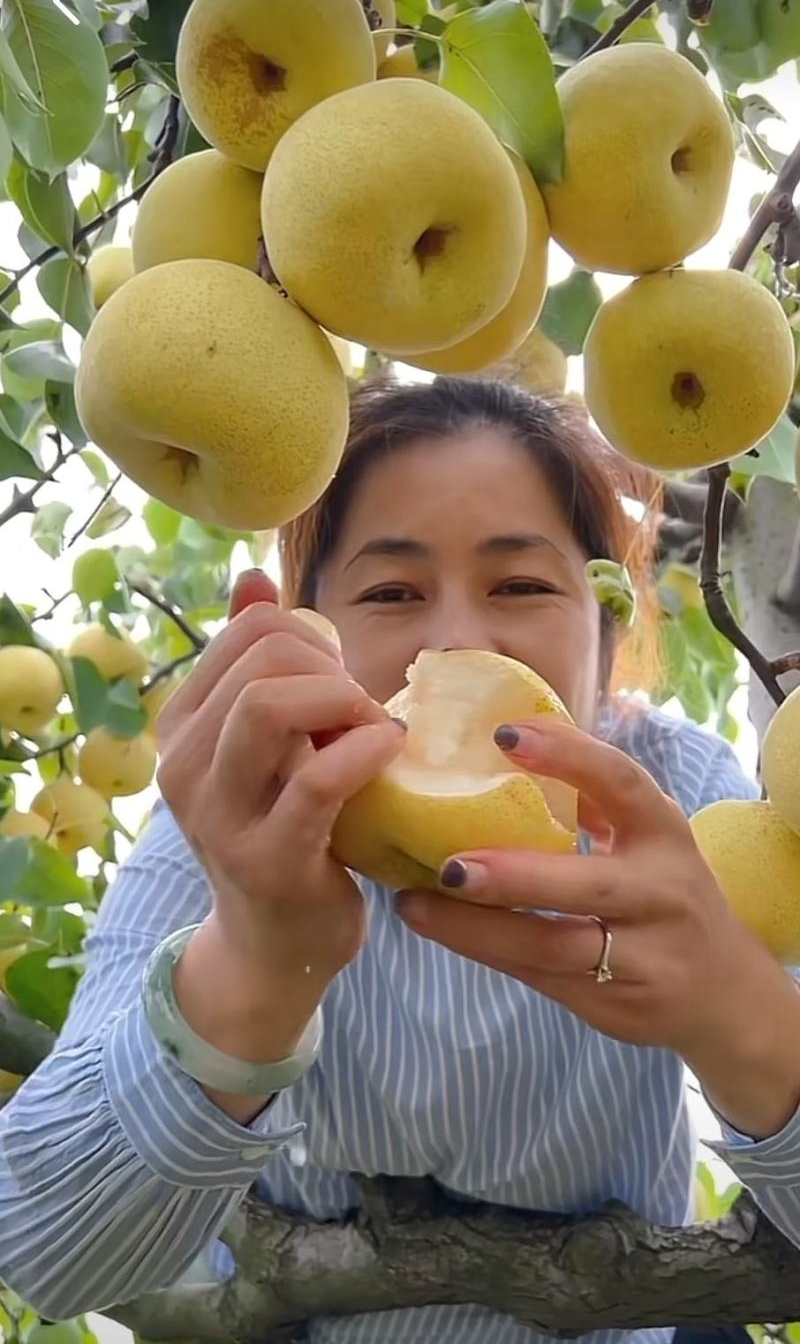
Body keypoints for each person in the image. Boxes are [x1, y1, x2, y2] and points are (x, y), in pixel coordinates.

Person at [2, 375, 800, 1344]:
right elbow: (46, 1249)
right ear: (311, 639)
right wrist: (254, 971)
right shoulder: (248, 824)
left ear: (604, 629)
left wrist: (744, 1024)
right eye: (389, 592)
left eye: (518, 585)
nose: (457, 640)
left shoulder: (678, 799)